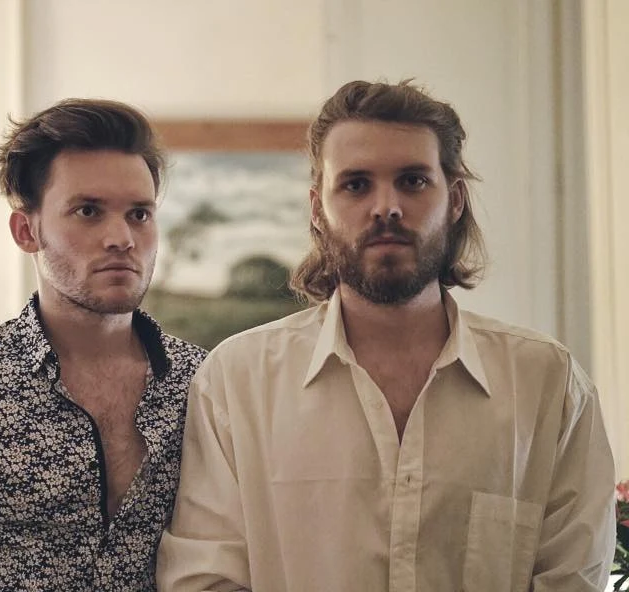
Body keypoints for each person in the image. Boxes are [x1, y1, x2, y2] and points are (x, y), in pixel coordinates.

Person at [156, 80, 617, 591]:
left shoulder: (547, 384)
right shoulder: (237, 380)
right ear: (317, 209)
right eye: (356, 184)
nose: (386, 207)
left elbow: (573, 579)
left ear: (455, 200)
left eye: (413, 181)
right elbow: (204, 580)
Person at [0, 98, 207, 591]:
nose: (122, 238)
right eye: (88, 211)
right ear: (27, 231)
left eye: (139, 214)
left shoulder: (204, 387)